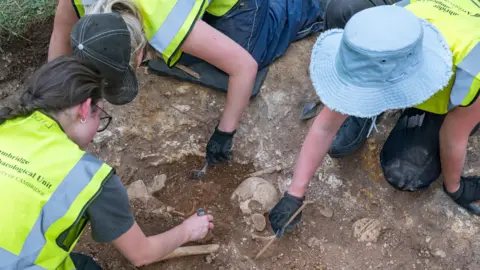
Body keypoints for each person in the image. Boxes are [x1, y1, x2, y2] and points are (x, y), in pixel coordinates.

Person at [268, 0, 480, 236]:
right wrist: (294, 194)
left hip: (460, 76)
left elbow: (454, 137)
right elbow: (326, 126)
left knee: (409, 173)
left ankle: (417, 110)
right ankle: (374, 108)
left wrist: (455, 187)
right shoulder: (382, 35)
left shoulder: (473, 71)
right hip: (426, 48)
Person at [47, 0, 326, 166]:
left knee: (257, 48)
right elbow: (61, 32)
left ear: (142, 50)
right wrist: (56, 99)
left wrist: (224, 133)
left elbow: (244, 67)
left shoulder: (166, 26)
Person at [0, 56, 214, 269]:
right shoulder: (88, 177)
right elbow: (142, 254)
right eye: (100, 114)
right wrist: (189, 230)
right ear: (84, 109)